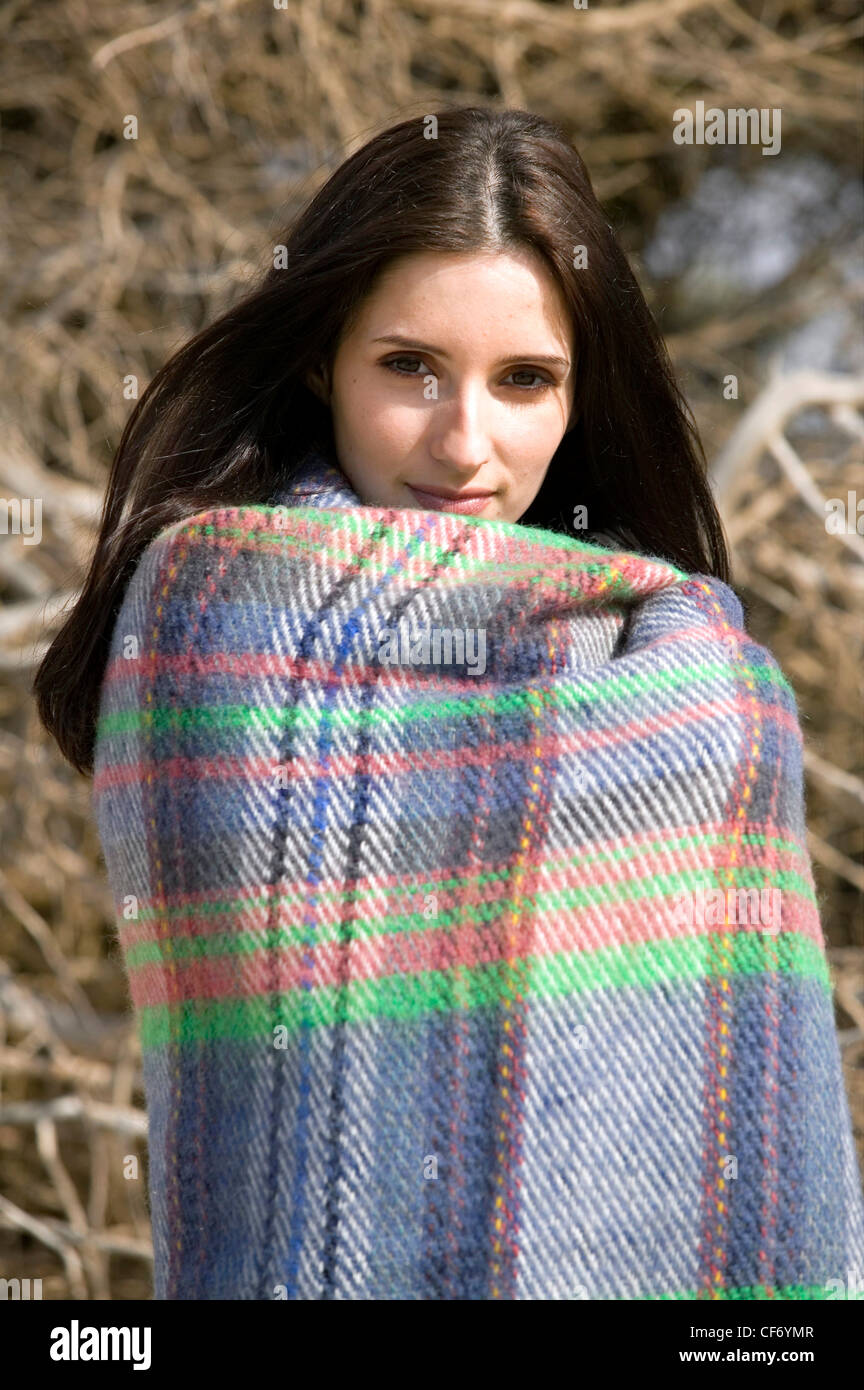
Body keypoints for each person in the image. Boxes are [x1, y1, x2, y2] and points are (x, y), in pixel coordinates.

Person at [33, 105, 864, 1300]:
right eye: (410, 367)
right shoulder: (212, 626)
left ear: (582, 396)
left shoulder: (690, 682)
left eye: (525, 379)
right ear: (323, 358)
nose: (466, 442)